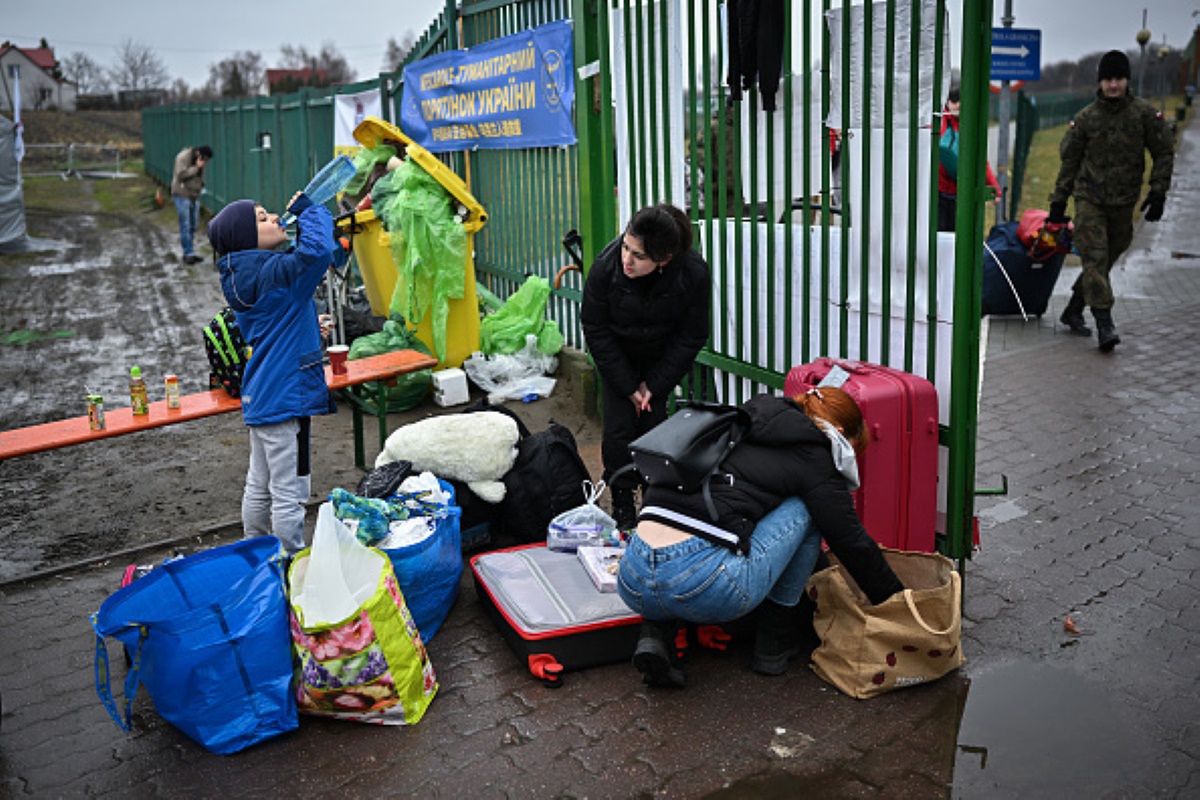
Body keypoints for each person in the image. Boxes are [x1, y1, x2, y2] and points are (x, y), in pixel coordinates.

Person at [616, 387, 905, 687]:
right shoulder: (815, 454)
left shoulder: (737, 422)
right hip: (702, 587)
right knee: (810, 509)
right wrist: (897, 603)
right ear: (840, 432)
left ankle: (654, 634)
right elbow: (850, 540)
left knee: (695, 521)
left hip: (632, 577)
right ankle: (773, 646)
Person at [208, 193, 343, 554]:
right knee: (289, 491)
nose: (274, 220)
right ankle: (291, 559)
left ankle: (254, 550)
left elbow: (276, 324)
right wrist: (311, 210)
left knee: (259, 482)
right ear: (244, 237)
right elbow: (316, 253)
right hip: (285, 397)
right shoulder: (275, 272)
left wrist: (310, 329)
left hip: (262, 394)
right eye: (262, 218)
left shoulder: (243, 276)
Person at [580, 204, 710, 531]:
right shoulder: (605, 269)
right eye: (626, 246)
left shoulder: (692, 273)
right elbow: (595, 327)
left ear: (663, 260)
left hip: (661, 358)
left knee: (656, 431)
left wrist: (655, 384)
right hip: (617, 357)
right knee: (618, 430)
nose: (627, 259)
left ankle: (654, 504)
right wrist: (627, 385)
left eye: (638, 256)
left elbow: (692, 333)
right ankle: (622, 502)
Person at [1048, 49, 1175, 351]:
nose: (1113, 85)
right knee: (1094, 258)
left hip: (1124, 203)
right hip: (1089, 199)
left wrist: (1158, 191)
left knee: (1104, 260)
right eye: (1107, 79)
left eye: (1118, 79)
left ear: (1127, 80)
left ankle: (1073, 308)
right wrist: (1058, 202)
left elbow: (1164, 152)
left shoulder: (1144, 115)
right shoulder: (1086, 119)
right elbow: (1069, 162)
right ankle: (1104, 322)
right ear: (1100, 82)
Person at [937, 88, 1001, 232]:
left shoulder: (971, 126)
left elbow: (981, 162)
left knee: (958, 236)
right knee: (939, 236)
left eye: (961, 101)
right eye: (954, 101)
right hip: (938, 192)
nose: (958, 105)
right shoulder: (939, 122)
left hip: (963, 193)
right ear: (947, 103)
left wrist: (994, 188)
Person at [171, 144, 213, 264]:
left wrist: (201, 186)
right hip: (181, 194)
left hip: (194, 195)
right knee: (185, 224)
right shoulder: (182, 158)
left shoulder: (200, 160)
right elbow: (180, 175)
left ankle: (191, 251)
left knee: (193, 225)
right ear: (198, 154)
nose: (204, 163)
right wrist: (196, 167)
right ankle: (188, 254)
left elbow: (199, 178)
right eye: (204, 160)